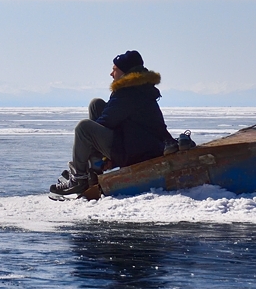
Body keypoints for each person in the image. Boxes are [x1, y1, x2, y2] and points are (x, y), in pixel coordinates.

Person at [50, 50, 172, 196]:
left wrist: (97, 152)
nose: (111, 74)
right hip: (139, 143)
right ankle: (95, 167)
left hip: (136, 152)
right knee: (97, 105)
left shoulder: (128, 93)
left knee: (84, 128)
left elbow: (106, 122)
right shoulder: (139, 89)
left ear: (125, 72)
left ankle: (79, 179)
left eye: (115, 70)